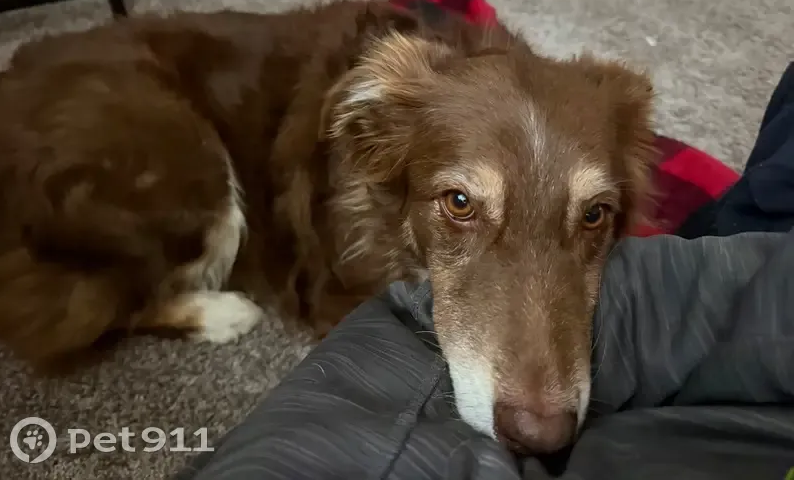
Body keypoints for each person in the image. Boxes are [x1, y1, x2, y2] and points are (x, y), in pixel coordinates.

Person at [172, 64, 794, 480]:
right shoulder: (398, 111)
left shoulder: (611, 116)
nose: (545, 413)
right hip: (169, 103)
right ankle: (159, 308)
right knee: (199, 218)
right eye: (462, 204)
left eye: (591, 215)